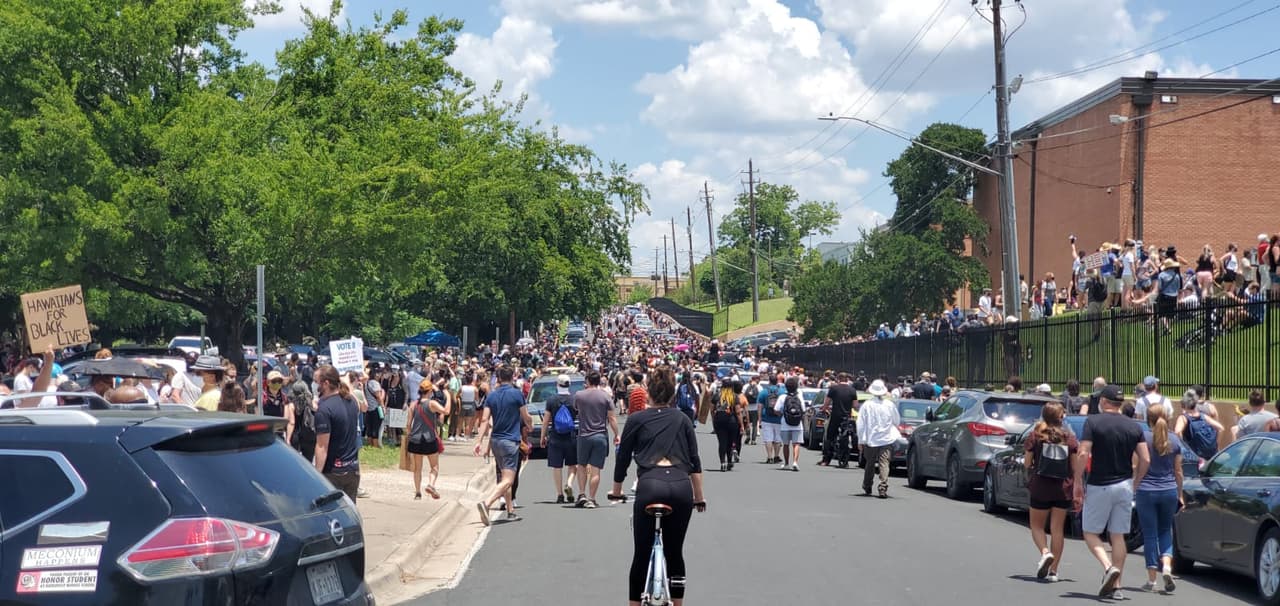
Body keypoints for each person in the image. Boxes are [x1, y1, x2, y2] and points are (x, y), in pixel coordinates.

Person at [607, 366, 705, 606]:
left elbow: (623, 458)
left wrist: (617, 490)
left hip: (650, 484)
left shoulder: (637, 419)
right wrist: (699, 497)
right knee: (675, 552)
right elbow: (694, 461)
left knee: (641, 554)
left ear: (648, 391)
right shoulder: (682, 419)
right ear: (673, 394)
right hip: (681, 487)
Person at [1074, 384, 1150, 599]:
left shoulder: (1093, 422)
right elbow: (1145, 459)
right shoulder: (1134, 426)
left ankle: (1109, 568)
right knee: (1118, 536)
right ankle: (1117, 587)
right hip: (1124, 484)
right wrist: (1136, 482)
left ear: (1104, 402)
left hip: (1100, 484)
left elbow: (1082, 453)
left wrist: (1078, 480)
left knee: (1090, 532)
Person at [1023, 402, 1077, 582]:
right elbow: (1075, 467)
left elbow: (1026, 462)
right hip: (1063, 488)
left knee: (1037, 526)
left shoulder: (1036, 436)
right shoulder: (1069, 438)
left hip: (1041, 486)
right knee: (1057, 529)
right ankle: (1054, 571)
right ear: (1061, 417)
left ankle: (1045, 553)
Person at [473, 365, 531, 525]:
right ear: (512, 377)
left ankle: (510, 510)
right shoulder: (517, 394)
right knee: (508, 479)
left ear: (497, 378)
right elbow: (525, 416)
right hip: (510, 440)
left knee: (504, 475)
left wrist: (479, 441)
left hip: (495, 440)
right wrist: (530, 425)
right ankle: (487, 503)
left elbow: (484, 420)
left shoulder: (491, 396)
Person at [1133, 403, 1183, 594]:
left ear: (1148, 418)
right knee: (1165, 531)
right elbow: (1178, 471)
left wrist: (1135, 484)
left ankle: (1152, 579)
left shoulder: (1143, 439)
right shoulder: (1175, 440)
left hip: (1146, 491)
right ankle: (1168, 568)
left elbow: (1136, 465)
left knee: (1150, 534)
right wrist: (1180, 494)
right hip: (1169, 489)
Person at [313, 365, 362, 502]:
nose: (316, 387)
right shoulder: (351, 401)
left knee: (330, 517)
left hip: (333, 472)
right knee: (349, 515)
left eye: (317, 383)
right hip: (353, 469)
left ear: (326, 383)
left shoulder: (324, 410)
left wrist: (316, 475)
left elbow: (322, 446)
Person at [572, 370, 620, 509]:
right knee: (596, 469)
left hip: (584, 435)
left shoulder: (579, 395)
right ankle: (592, 499)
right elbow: (612, 418)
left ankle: (582, 494)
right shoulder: (605, 397)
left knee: (581, 465)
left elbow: (575, 408)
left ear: (587, 381)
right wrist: (617, 434)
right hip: (600, 435)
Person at [540, 374, 581, 503]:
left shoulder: (551, 400)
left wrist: (543, 436)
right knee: (573, 465)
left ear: (557, 385)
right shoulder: (574, 399)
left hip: (555, 436)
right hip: (571, 435)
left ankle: (559, 495)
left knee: (557, 466)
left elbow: (546, 421)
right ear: (569, 385)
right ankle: (569, 484)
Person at [856, 380, 900, 498]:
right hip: (886, 438)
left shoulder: (866, 405)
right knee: (884, 463)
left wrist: (860, 440)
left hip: (871, 439)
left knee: (870, 463)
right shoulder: (890, 405)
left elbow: (860, 424)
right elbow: (896, 421)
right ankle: (883, 487)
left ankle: (867, 485)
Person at [406, 377, 447, 500]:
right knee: (434, 466)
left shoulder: (413, 404)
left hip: (415, 439)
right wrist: (448, 398)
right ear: (429, 391)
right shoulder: (432, 403)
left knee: (417, 468)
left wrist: (410, 435)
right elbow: (446, 411)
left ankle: (418, 493)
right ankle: (431, 484)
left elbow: (408, 424)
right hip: (429, 438)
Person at [1172, 389, 1224, 461]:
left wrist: (1183, 448)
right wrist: (1216, 444)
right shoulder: (1203, 416)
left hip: (1194, 457)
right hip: (1210, 454)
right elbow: (1221, 428)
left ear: (1184, 405)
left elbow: (1177, 432)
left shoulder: (1183, 418)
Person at [820, 372, 857, 467]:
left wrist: (824, 409)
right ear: (847, 380)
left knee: (830, 437)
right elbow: (855, 405)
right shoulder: (852, 390)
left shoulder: (834, 388)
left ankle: (826, 460)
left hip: (835, 416)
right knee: (846, 437)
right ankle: (845, 461)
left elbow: (827, 403)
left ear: (838, 379)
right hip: (846, 417)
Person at [711, 378, 743, 472]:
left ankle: (722, 463)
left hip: (719, 421)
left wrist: (714, 419)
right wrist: (741, 425)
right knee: (730, 443)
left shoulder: (717, 395)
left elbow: (712, 409)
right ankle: (729, 461)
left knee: (722, 442)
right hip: (732, 422)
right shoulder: (734, 396)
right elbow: (738, 412)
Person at [774, 376, 805, 471]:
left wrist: (783, 414)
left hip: (785, 424)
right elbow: (803, 410)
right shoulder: (799, 396)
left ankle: (786, 463)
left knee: (786, 444)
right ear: (796, 387)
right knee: (796, 444)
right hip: (797, 424)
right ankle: (795, 462)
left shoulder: (782, 397)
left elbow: (776, 410)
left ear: (786, 387)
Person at [757, 374, 785, 464]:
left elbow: (760, 406)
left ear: (769, 381)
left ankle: (769, 457)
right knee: (777, 438)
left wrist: (760, 418)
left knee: (768, 438)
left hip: (767, 418)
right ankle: (776, 456)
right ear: (777, 381)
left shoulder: (764, 392)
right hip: (779, 418)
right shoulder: (782, 392)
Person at [744, 374, 761, 446]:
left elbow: (743, 396)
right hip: (755, 408)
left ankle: (748, 435)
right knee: (754, 425)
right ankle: (753, 440)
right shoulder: (759, 387)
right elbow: (760, 399)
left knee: (747, 423)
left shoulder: (745, 386)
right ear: (757, 380)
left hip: (747, 408)